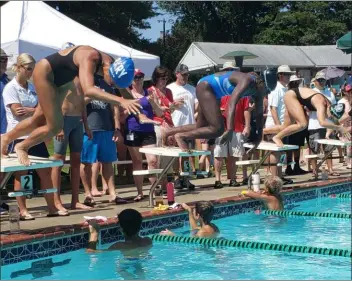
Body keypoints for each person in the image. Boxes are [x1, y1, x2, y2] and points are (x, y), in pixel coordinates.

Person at [1, 45, 141, 166]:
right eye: (113, 83)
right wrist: (121, 101)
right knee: (55, 126)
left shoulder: (111, 63)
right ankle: (22, 146)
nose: (112, 86)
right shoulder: (91, 57)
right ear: (109, 70)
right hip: (46, 74)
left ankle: (5, 138)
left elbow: (123, 90)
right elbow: (89, 90)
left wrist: (139, 111)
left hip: (61, 81)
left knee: (38, 119)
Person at [3, 53, 64, 218]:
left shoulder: (31, 88)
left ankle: (51, 207)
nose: (31, 72)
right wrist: (35, 111)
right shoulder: (10, 88)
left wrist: (34, 111)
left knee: (45, 172)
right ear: (20, 67)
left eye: (33, 69)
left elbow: (43, 110)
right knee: (21, 174)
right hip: (18, 135)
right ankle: (23, 210)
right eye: (29, 69)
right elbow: (17, 112)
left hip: (35, 135)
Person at [162, 69, 277, 152]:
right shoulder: (246, 81)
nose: (265, 94)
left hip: (213, 91)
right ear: (261, 83)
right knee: (218, 129)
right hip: (206, 87)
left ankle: (168, 132)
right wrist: (231, 129)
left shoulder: (258, 91)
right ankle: (181, 136)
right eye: (266, 90)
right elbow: (232, 103)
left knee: (200, 127)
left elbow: (259, 114)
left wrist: (258, 137)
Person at [267, 86, 348, 147]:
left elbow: (334, 122)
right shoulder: (322, 103)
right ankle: (277, 137)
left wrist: (341, 130)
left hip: (293, 96)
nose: (328, 117)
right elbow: (322, 122)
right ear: (330, 110)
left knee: (286, 127)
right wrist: (339, 128)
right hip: (292, 96)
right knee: (302, 124)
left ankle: (261, 133)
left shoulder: (328, 105)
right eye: (330, 116)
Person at [86, 209, 152, 253]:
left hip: (126, 264)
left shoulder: (119, 246)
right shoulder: (147, 241)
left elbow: (91, 252)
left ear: (121, 229)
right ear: (140, 226)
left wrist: (94, 234)